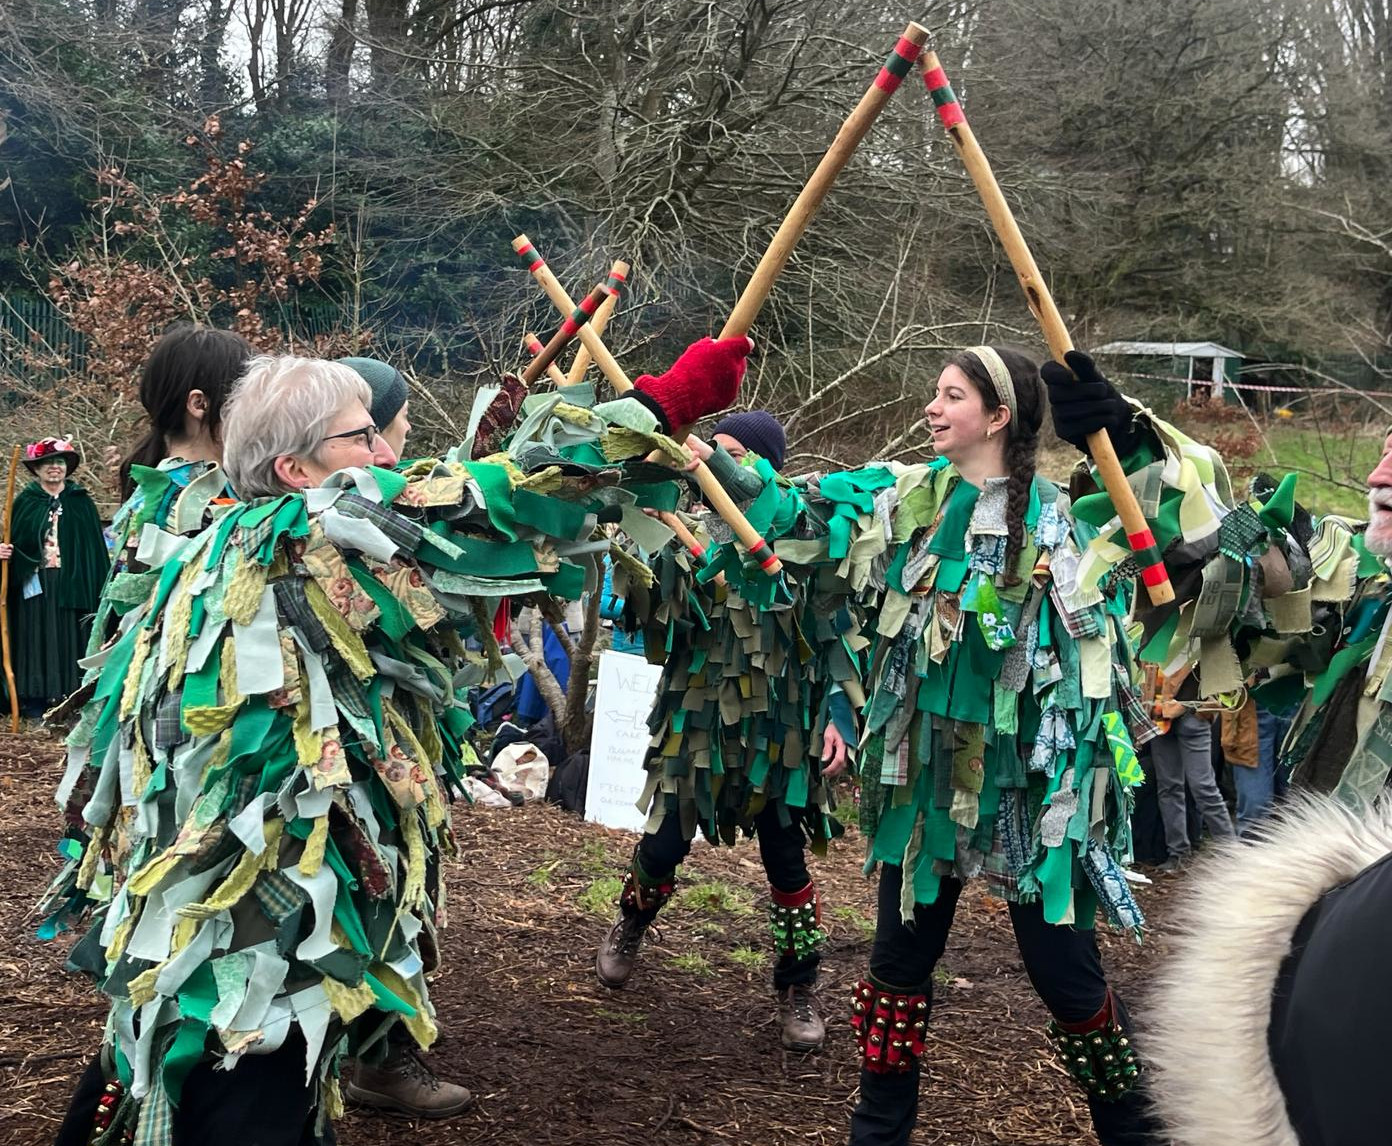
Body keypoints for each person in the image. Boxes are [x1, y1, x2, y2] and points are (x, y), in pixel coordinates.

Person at [43, 339, 749, 1145]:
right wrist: (658, 409)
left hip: (205, 901)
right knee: (246, 1077)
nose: (384, 452)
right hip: (255, 909)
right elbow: (500, 495)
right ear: (294, 469)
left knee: (168, 1057)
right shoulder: (313, 527)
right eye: (359, 437)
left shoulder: (224, 544)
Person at [593, 408, 855, 1052]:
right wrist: (640, 567)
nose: (714, 467)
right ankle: (631, 923)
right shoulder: (686, 542)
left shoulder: (804, 539)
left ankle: (799, 985)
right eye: (712, 454)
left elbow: (838, 638)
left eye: (733, 455)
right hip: (697, 725)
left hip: (781, 734)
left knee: (787, 861)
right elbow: (644, 622)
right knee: (661, 847)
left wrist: (839, 719)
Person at [0, 437, 109, 715]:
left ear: (66, 468)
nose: (54, 467)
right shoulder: (25, 502)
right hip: (33, 583)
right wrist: (6, 552)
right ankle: (34, 700)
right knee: (35, 636)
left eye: (59, 462)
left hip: (74, 583)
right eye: (46, 463)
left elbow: (94, 551)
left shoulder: (80, 503)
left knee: (70, 637)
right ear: (36, 469)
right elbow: (12, 542)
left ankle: (71, 698)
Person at [1143, 667, 1235, 870]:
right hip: (1160, 717)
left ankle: (1231, 855)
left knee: (1202, 788)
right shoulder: (1154, 639)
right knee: (1170, 787)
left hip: (1190, 715)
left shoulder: (1186, 637)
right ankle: (1179, 855)